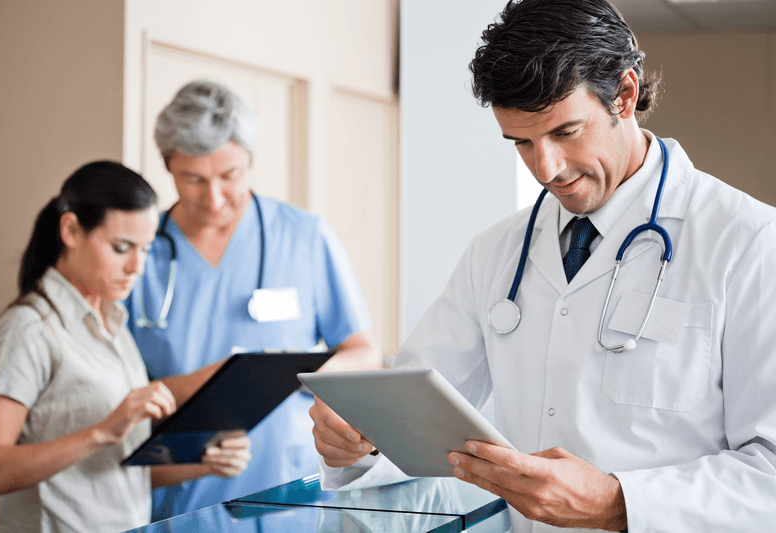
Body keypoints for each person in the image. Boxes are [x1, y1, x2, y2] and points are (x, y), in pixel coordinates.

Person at [309, 0, 776, 531]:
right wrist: (360, 438)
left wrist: (619, 501)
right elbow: (418, 421)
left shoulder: (750, 243)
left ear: (624, 94)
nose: (546, 169)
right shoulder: (497, 252)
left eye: (565, 133)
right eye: (522, 143)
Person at [126, 79, 381, 519]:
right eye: (193, 179)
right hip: (178, 502)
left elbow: (363, 350)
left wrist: (297, 375)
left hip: (290, 491)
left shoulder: (304, 236)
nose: (214, 197)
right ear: (168, 166)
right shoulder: (139, 254)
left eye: (230, 176)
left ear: (249, 160)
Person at [0, 161, 252, 533]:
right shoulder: (29, 329)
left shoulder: (115, 325)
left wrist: (207, 464)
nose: (137, 266)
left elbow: (113, 472)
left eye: (145, 249)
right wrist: (101, 431)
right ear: (71, 231)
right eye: (122, 248)